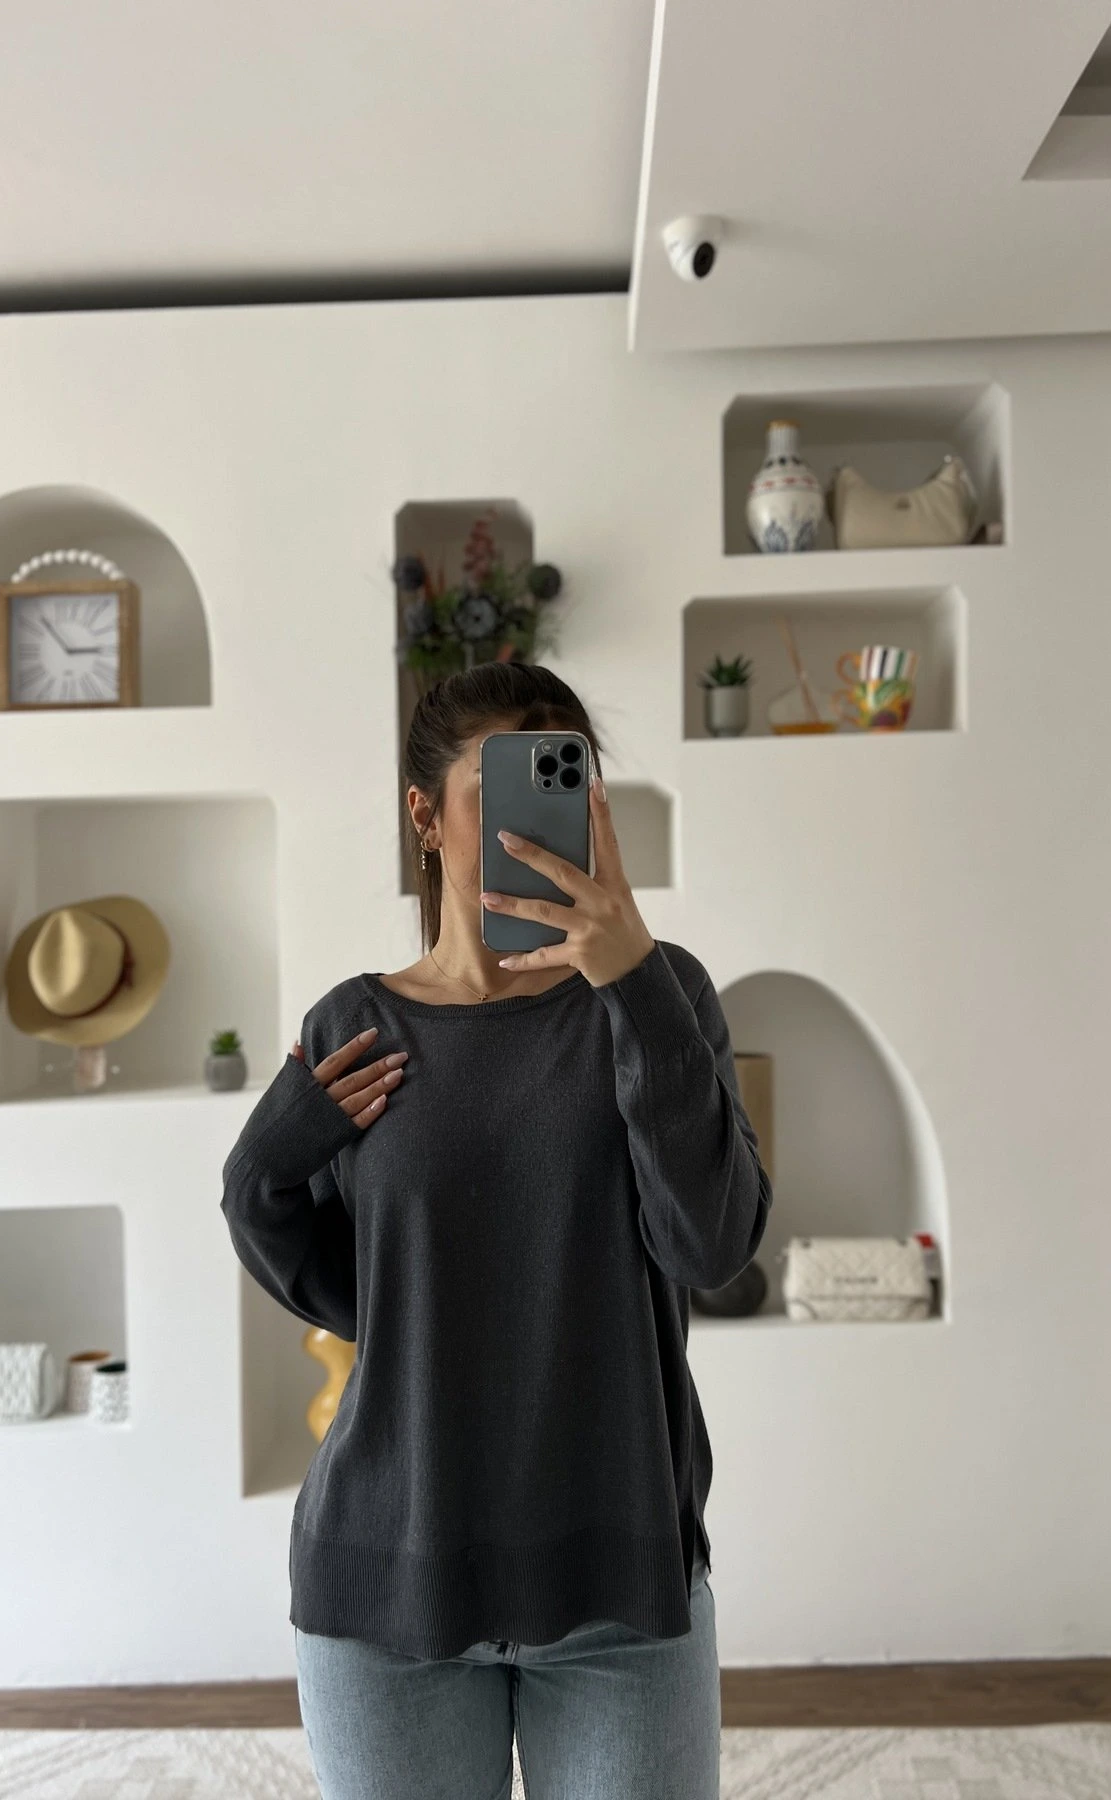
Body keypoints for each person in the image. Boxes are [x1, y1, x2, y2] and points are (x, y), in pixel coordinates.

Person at [220, 661, 773, 1800]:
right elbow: (363, 1296)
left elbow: (712, 1246)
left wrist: (632, 983)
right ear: (425, 816)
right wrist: (259, 1163)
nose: (547, 820)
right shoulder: (356, 1026)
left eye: (570, 782)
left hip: (623, 1587)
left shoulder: (663, 997)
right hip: (386, 1586)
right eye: (504, 785)